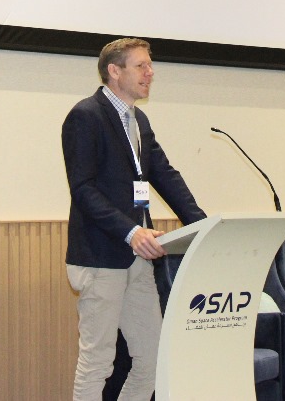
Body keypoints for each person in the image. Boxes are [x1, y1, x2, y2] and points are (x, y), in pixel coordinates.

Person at [62, 37, 206, 401]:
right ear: (114, 71)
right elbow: (83, 189)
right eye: (141, 66)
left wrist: (203, 225)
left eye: (150, 65)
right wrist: (130, 231)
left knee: (152, 358)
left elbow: (165, 175)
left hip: (139, 258)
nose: (150, 72)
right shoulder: (86, 116)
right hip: (100, 257)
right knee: (98, 362)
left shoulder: (138, 119)